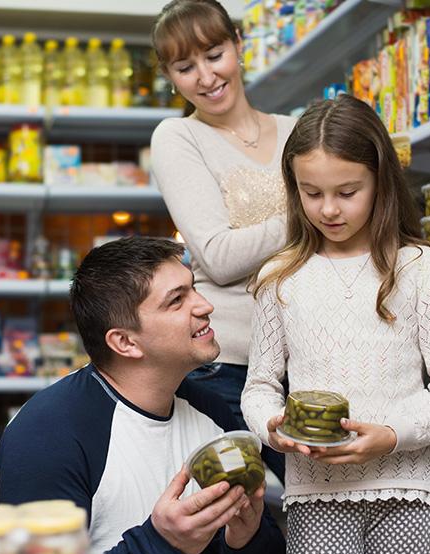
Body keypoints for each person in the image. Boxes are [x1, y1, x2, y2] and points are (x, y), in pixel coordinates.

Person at [241, 95, 430, 554]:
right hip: (316, 491)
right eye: (311, 192)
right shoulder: (279, 276)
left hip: (407, 490)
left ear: (380, 181)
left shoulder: (418, 268)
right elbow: (259, 384)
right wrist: (272, 427)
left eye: (348, 191)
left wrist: (391, 435)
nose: (328, 209)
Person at [0, 237, 286, 554]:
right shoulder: (46, 436)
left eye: (193, 288)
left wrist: (246, 538)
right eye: (177, 300)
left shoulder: (208, 411)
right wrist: (162, 543)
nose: (205, 305)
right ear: (126, 343)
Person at [150, 0, 296, 481]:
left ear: (238, 43)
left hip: (310, 354)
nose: (206, 76)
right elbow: (217, 256)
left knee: (324, 502)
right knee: (232, 521)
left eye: (214, 54)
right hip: (226, 367)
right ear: (171, 76)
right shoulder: (178, 137)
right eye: (185, 66)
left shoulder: (298, 132)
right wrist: (309, 218)